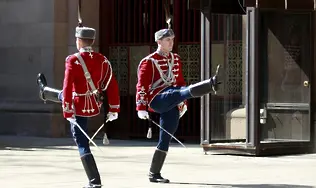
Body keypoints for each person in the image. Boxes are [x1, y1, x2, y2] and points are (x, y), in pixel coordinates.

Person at [36, 26, 120, 188]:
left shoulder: (72, 60)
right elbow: (111, 85)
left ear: (79, 41)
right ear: (93, 41)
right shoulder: (102, 59)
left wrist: (67, 110)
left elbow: (67, 87)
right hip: (95, 104)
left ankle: (94, 181)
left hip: (77, 105)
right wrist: (114, 108)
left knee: (82, 143)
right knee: (62, 95)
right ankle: (45, 91)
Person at [136, 28, 223, 183]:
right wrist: (141, 107)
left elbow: (180, 83)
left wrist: (183, 103)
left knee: (166, 137)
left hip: (174, 98)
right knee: (177, 93)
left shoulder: (175, 59)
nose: (171, 42)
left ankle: (154, 174)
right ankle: (210, 85)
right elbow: (142, 86)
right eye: (168, 39)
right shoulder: (149, 61)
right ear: (159, 42)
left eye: (172, 39)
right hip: (157, 99)